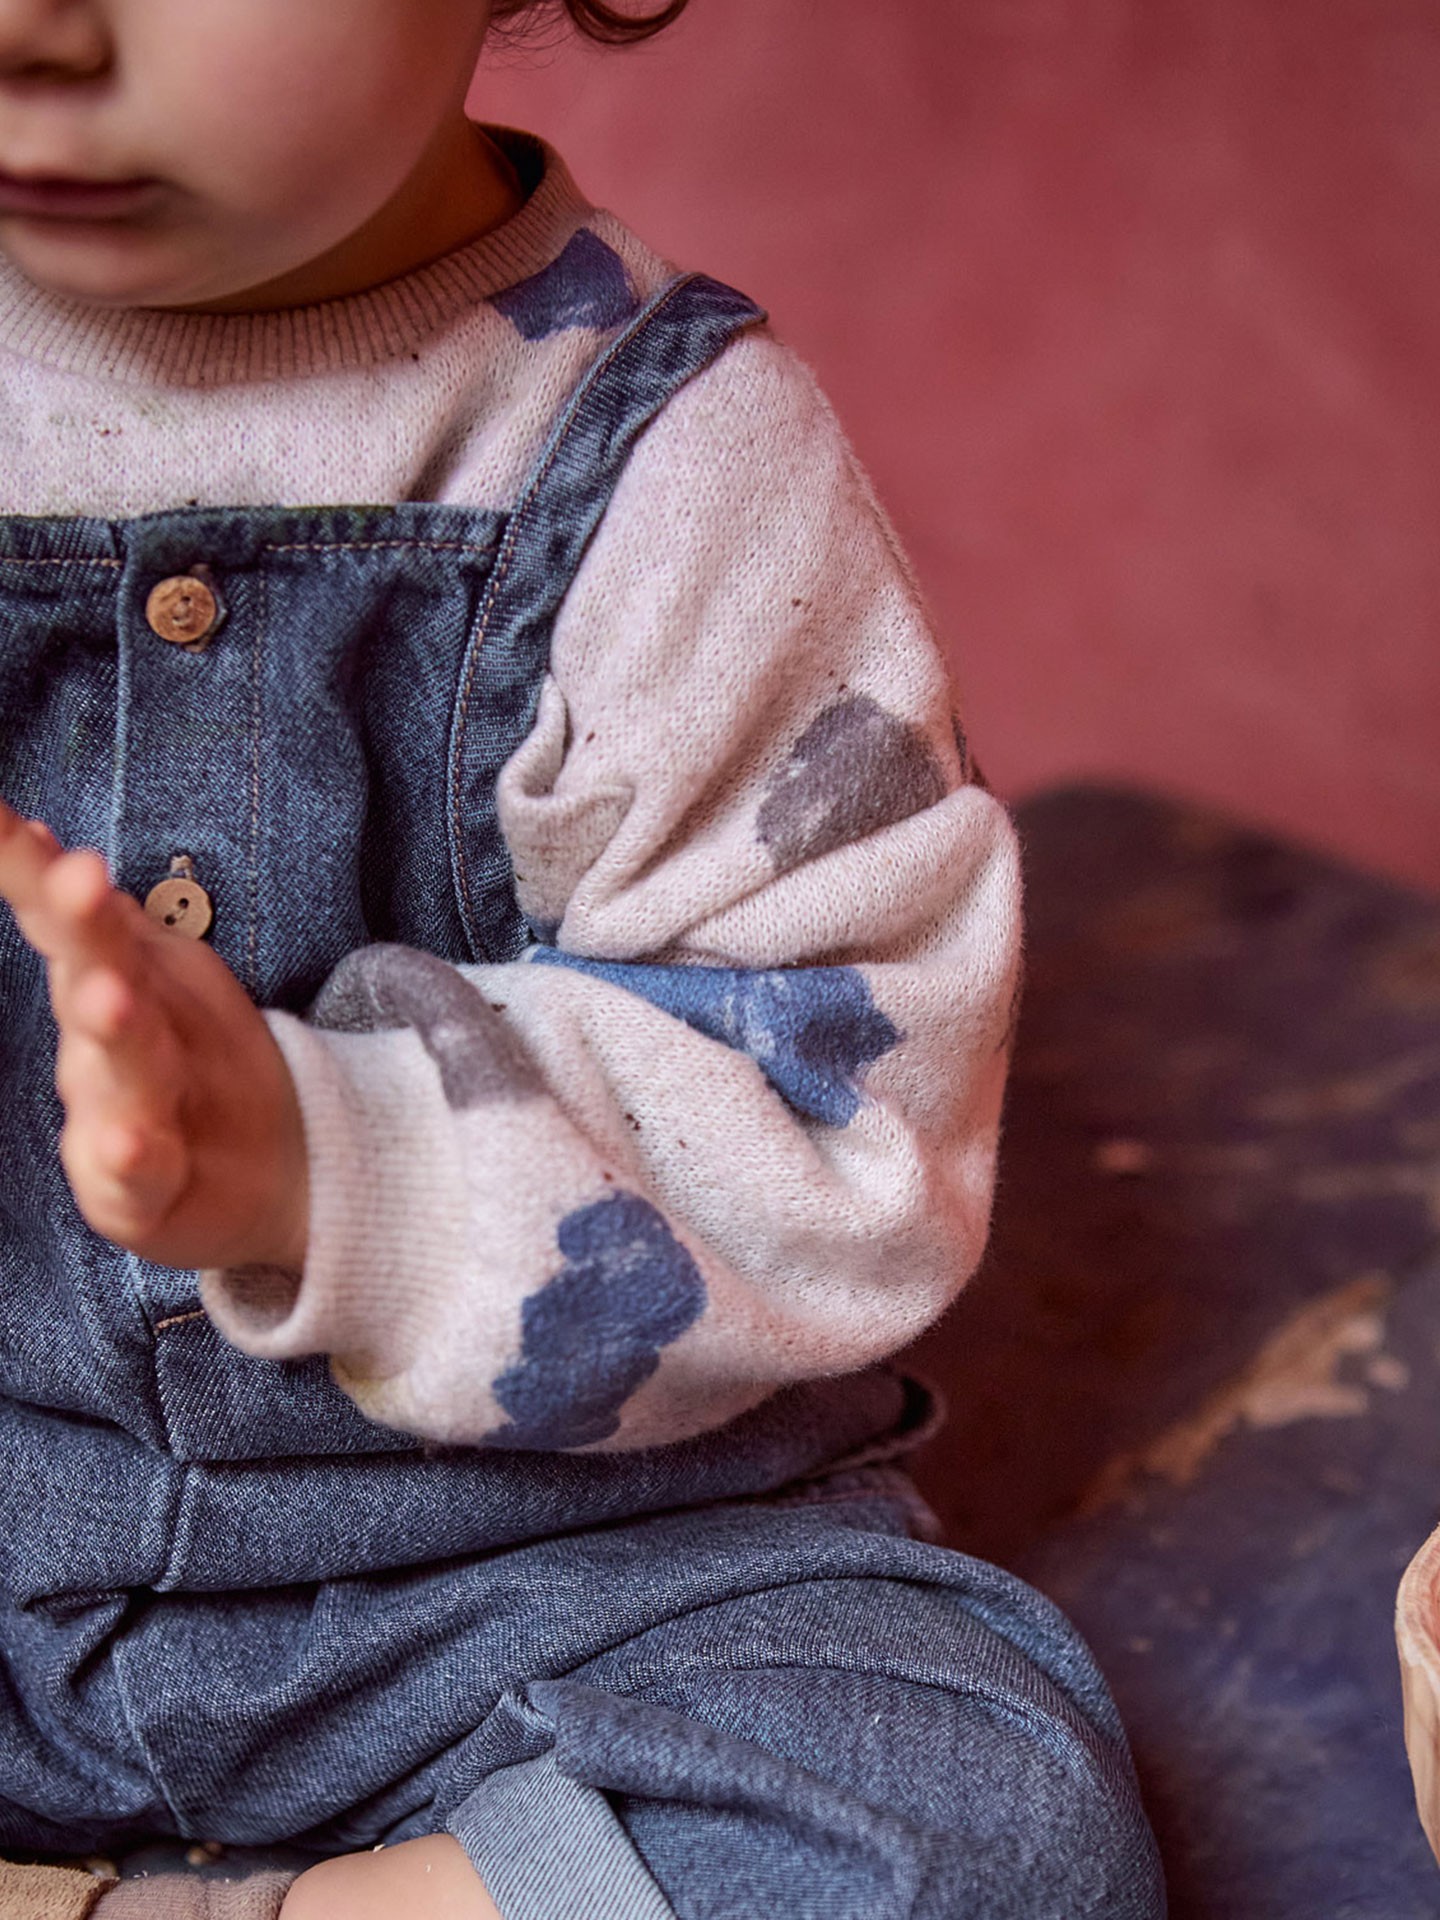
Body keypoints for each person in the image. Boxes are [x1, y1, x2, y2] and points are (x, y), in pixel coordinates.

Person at [0, 0, 1165, 1914]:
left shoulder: (666, 465)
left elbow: (839, 1105)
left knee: (977, 1837)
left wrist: (331, 1159)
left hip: (535, 1569)